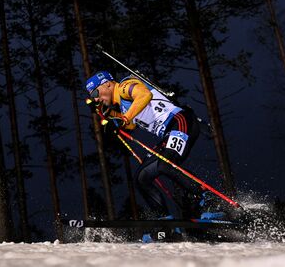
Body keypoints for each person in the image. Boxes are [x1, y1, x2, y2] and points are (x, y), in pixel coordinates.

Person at [85, 70, 203, 220]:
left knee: (165, 164)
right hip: (169, 132)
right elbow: (130, 126)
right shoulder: (123, 105)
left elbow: (144, 95)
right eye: (92, 97)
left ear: (107, 84)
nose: (96, 99)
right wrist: (111, 116)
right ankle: (164, 221)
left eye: (95, 93)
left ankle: (207, 198)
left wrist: (124, 119)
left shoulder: (124, 86)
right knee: (142, 178)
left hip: (180, 122)